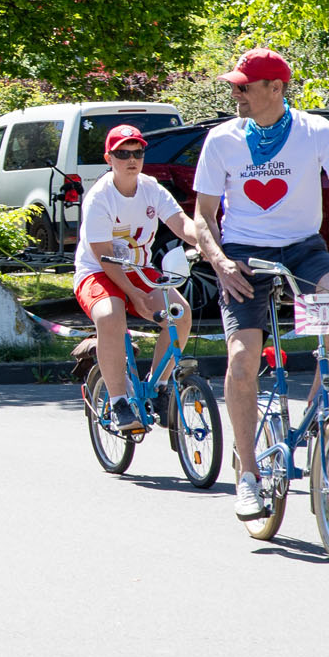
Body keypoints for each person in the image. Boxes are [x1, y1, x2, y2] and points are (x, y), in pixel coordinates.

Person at [191, 47, 329, 521]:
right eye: (234, 85)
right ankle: (247, 477)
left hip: (302, 248)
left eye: (244, 86)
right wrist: (219, 262)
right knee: (242, 359)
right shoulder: (222, 140)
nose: (235, 93)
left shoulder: (316, 132)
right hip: (243, 255)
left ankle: (317, 409)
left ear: (275, 89)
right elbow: (202, 216)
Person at [72, 124, 201, 434]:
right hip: (98, 271)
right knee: (110, 314)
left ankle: (157, 388)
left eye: (138, 152)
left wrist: (203, 242)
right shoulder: (100, 197)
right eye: (123, 153)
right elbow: (103, 256)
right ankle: (118, 401)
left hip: (138, 269)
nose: (132, 159)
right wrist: (135, 296)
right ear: (109, 158)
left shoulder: (151, 188)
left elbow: (181, 222)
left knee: (180, 315)